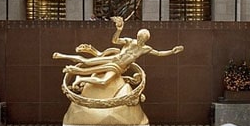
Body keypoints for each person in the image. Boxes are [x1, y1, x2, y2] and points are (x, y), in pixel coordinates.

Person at [53, 15, 184, 91]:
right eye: (139, 37)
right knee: (86, 61)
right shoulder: (129, 41)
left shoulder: (145, 49)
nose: (139, 40)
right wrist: (119, 29)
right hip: (114, 59)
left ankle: (81, 78)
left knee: (104, 82)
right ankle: (62, 56)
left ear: (146, 39)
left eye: (142, 39)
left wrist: (172, 51)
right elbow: (115, 40)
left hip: (118, 67)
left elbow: (159, 53)